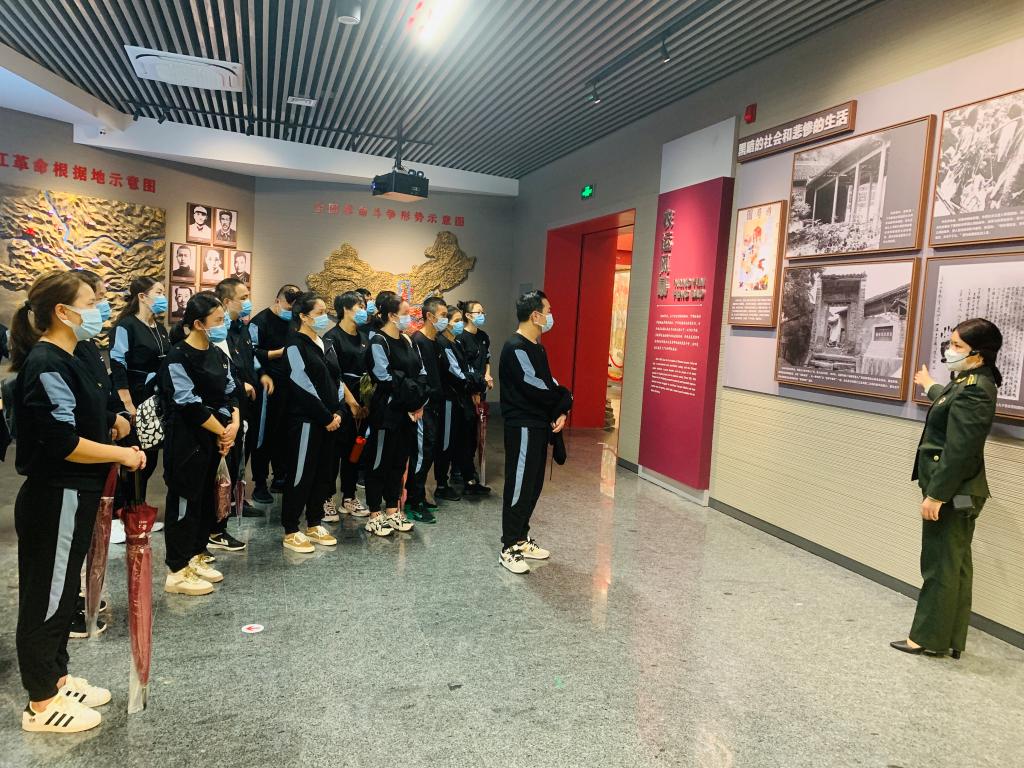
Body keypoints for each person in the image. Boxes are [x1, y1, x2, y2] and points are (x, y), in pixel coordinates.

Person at [11, 270, 146, 733]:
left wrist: (112, 423)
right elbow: (63, 442)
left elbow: (86, 415)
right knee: (47, 596)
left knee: (65, 591)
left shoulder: (75, 356)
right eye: (90, 302)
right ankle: (41, 702)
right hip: (57, 494)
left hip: (77, 493)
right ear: (62, 312)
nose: (98, 309)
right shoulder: (46, 362)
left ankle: (57, 677)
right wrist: (120, 454)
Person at [891, 318, 1003, 659]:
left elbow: (960, 449)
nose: (949, 351)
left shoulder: (976, 389)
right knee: (955, 563)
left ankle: (926, 638)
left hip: (953, 491)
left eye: (957, 346)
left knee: (939, 564)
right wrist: (930, 385)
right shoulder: (969, 381)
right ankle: (949, 637)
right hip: (959, 489)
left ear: (978, 354)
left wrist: (937, 495)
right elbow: (949, 403)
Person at [159, 292, 239, 596]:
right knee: (185, 502)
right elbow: (188, 402)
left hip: (217, 438)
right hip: (188, 442)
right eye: (217, 320)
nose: (222, 325)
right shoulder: (178, 357)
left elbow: (231, 391)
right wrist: (222, 431)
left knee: (207, 500)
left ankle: (196, 554)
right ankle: (177, 569)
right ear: (197, 323)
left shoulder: (218, 354)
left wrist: (233, 425)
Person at [68, 270, 131, 637]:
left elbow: (99, 392)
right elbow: (76, 413)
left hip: (98, 451)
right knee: (69, 543)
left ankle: (80, 595)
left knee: (87, 535)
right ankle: (68, 608)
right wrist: (111, 421)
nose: (102, 307)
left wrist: (115, 416)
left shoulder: (88, 344)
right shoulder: (57, 356)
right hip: (74, 463)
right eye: (94, 301)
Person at [498, 290, 572, 574]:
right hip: (523, 427)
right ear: (535, 315)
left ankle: (521, 537)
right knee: (519, 485)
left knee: (534, 484)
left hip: (539, 425)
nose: (550, 316)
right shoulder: (515, 347)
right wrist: (564, 399)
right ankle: (508, 547)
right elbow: (535, 386)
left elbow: (548, 382)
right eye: (548, 311)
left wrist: (561, 409)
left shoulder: (537, 348)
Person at [280, 292, 343, 552]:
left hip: (331, 420)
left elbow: (337, 379)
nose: (324, 317)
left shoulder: (326, 342)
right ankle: (291, 529)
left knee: (323, 474)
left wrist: (338, 411)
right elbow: (301, 383)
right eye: (319, 313)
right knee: (301, 474)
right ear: (304, 317)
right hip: (307, 420)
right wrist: (325, 416)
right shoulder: (295, 345)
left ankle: (314, 522)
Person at [363, 291, 428, 537]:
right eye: (406, 314)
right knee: (379, 461)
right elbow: (385, 377)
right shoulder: (378, 342)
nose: (410, 318)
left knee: (399, 462)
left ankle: (392, 509)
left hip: (408, 413)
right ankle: (374, 513)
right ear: (391, 315)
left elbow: (421, 373)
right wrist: (410, 397)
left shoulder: (408, 340)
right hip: (387, 413)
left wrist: (418, 402)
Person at [110, 276, 170, 503]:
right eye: (159, 292)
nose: (163, 297)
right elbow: (118, 363)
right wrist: (127, 403)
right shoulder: (126, 326)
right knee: (135, 454)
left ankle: (139, 505)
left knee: (151, 458)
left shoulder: (160, 328)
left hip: (155, 400)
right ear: (143, 297)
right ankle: (126, 508)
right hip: (134, 397)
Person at [249, 285, 302, 503]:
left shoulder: (295, 320)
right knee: (264, 435)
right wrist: (276, 354)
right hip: (267, 384)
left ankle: (280, 476)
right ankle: (259, 483)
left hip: (290, 385)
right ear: (277, 300)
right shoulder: (259, 322)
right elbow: (251, 352)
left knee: (285, 433)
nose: (291, 311)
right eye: (288, 307)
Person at [323, 291, 371, 519]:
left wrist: (366, 402)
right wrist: (351, 402)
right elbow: (335, 375)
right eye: (359, 306)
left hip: (363, 401)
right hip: (341, 402)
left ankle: (349, 497)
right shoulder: (332, 338)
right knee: (334, 453)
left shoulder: (364, 337)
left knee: (355, 451)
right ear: (345, 309)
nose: (364, 310)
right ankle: (326, 498)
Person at [404, 297, 447, 523]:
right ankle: (413, 502)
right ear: (430, 316)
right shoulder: (418, 341)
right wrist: (419, 403)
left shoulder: (436, 341)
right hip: (423, 407)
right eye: (443, 315)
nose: (445, 320)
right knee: (421, 454)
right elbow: (417, 376)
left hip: (436, 406)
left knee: (429, 452)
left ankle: (419, 495)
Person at [434, 305, 474, 503]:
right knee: (446, 442)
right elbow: (456, 373)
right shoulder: (442, 343)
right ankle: (441, 484)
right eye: (456, 321)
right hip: (448, 399)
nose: (460, 324)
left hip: (459, 399)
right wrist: (475, 380)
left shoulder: (456, 342)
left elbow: (466, 367)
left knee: (460, 441)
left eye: (461, 321)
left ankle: (462, 478)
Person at [454, 299, 492, 494]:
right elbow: (463, 368)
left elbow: (487, 360)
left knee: (476, 435)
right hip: (467, 393)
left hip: (480, 390)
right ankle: (466, 475)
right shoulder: (461, 338)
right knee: (466, 436)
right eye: (478, 312)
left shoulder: (483, 336)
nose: (482, 315)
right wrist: (474, 390)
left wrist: (487, 376)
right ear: (468, 315)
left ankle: (468, 471)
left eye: (483, 311)